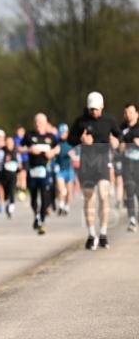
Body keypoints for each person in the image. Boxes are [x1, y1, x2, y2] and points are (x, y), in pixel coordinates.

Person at [68, 91, 121, 249]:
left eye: (96, 109)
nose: (94, 112)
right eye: (91, 109)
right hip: (87, 164)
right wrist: (81, 140)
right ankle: (91, 234)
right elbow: (70, 140)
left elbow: (119, 137)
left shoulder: (109, 120)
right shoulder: (81, 121)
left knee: (104, 195)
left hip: (103, 162)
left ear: (102, 106)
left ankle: (103, 233)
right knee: (89, 198)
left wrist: (115, 141)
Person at [18, 112, 60, 235]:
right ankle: (36, 215)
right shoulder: (29, 135)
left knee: (45, 197)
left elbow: (58, 147)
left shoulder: (51, 136)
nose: (38, 124)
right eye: (36, 121)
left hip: (45, 171)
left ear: (45, 123)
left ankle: (42, 220)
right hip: (33, 170)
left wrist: (52, 152)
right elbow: (19, 148)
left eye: (40, 122)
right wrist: (29, 149)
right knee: (34, 197)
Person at [120, 103, 139, 232]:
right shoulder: (122, 128)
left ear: (137, 114)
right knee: (129, 191)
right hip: (127, 163)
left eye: (131, 112)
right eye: (126, 112)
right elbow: (119, 146)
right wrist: (121, 146)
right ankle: (132, 218)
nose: (128, 115)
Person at [53, 122, 76, 216]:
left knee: (69, 191)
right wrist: (55, 153)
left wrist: (73, 155)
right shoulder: (56, 143)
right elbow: (52, 154)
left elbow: (76, 155)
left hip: (69, 169)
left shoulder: (72, 142)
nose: (62, 134)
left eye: (64, 132)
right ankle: (61, 205)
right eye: (60, 132)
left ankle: (67, 206)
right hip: (60, 169)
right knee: (62, 189)